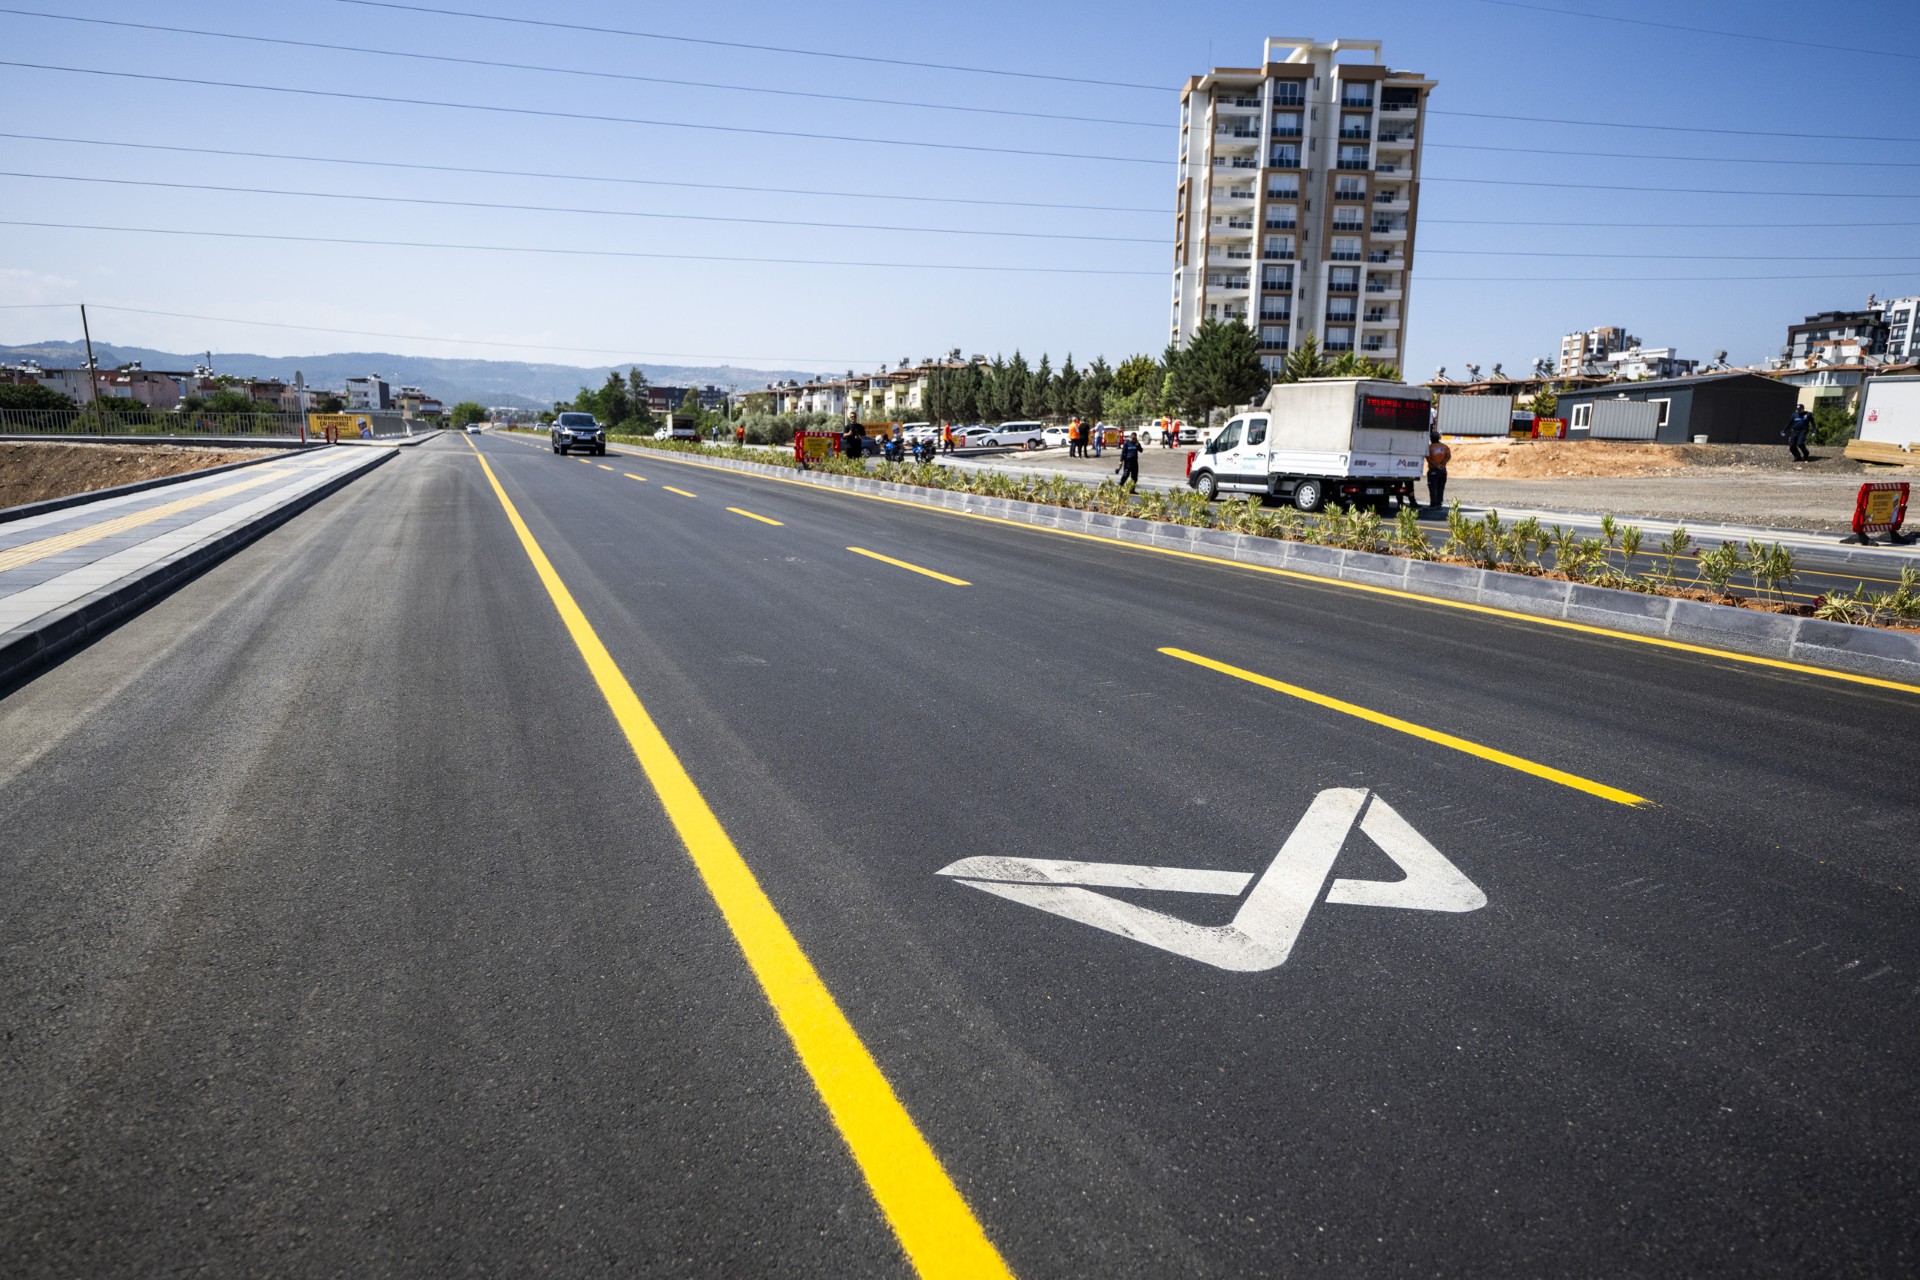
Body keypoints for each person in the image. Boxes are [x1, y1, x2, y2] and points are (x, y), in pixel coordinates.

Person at [1425, 427, 1452, 511]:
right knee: (1441, 487)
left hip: (1433, 470)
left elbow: (1428, 458)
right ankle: (1439, 503)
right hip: (1442, 470)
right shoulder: (1445, 447)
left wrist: (1436, 465)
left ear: (1431, 439)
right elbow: (1448, 456)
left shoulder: (1429, 447)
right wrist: (1442, 464)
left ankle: (1433, 504)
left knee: (1433, 487)